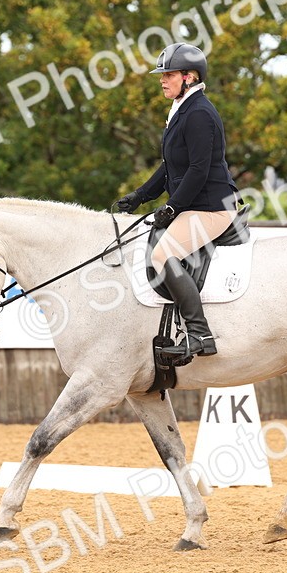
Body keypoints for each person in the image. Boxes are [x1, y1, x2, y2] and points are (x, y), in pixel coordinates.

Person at [115, 42, 239, 359]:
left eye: (168, 74)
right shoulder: (182, 110)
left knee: (162, 255)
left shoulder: (199, 114)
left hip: (212, 207)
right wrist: (140, 196)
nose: (162, 80)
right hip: (195, 204)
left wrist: (172, 207)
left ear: (189, 76)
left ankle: (199, 333)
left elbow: (198, 171)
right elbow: (171, 166)